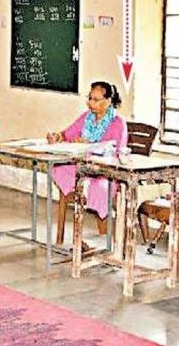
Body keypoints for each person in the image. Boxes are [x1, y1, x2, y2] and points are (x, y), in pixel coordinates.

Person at [47, 81, 128, 236]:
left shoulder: (118, 122)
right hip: (84, 168)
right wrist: (57, 136)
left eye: (95, 100)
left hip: (106, 173)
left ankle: (103, 235)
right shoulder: (87, 117)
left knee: (99, 188)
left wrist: (91, 145)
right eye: (89, 98)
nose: (90, 103)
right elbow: (67, 134)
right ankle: (79, 189)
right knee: (59, 167)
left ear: (108, 101)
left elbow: (118, 152)